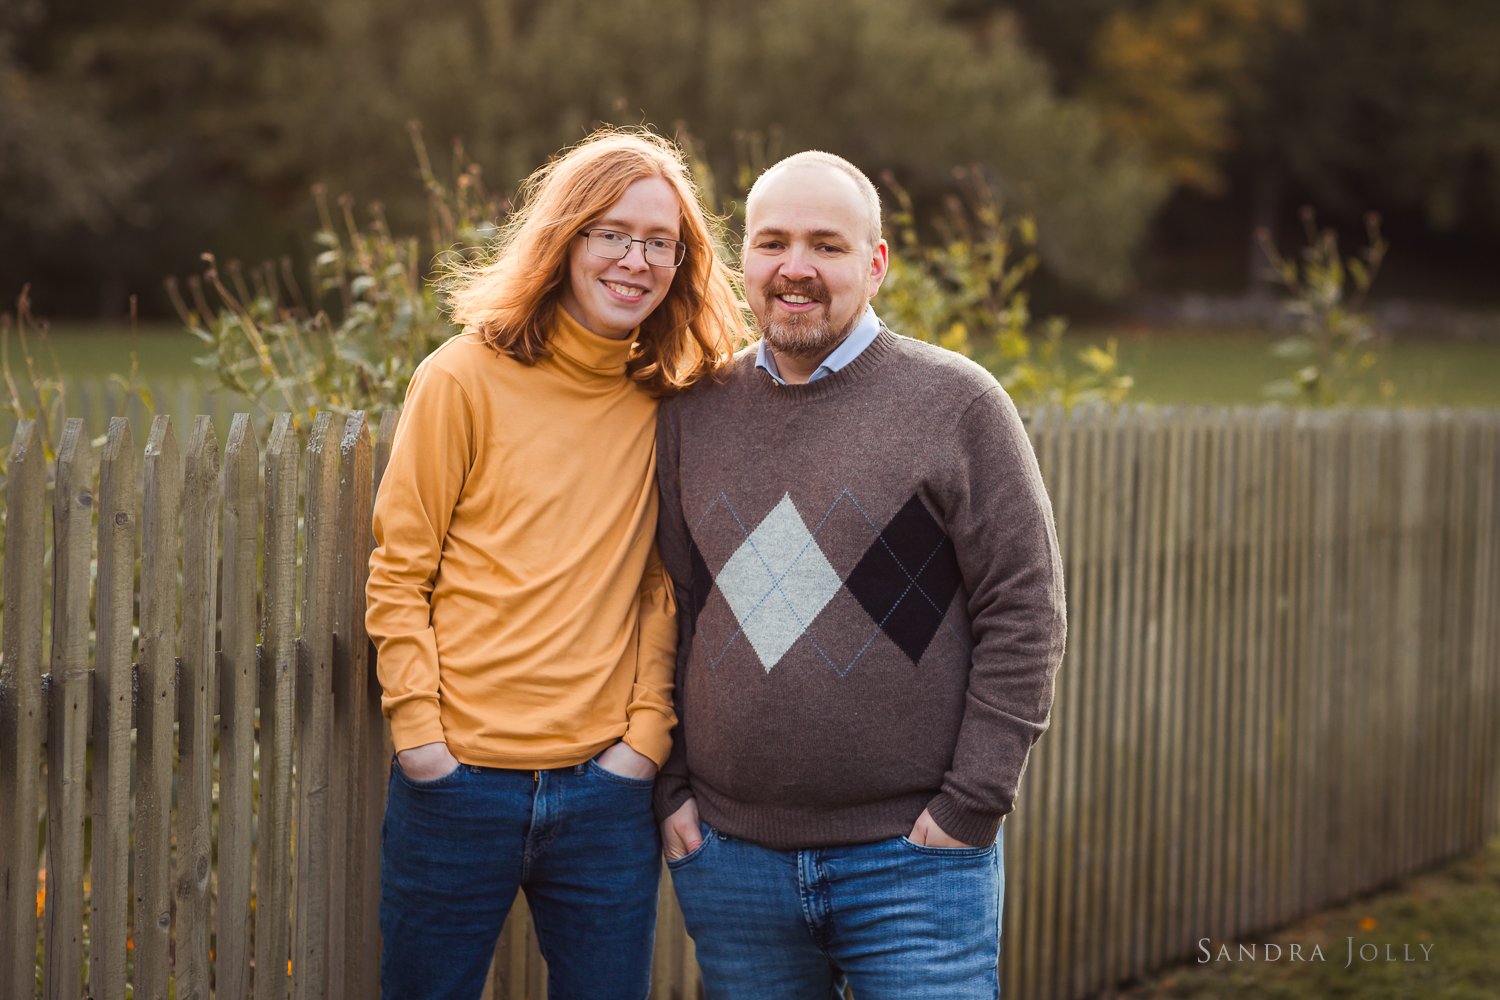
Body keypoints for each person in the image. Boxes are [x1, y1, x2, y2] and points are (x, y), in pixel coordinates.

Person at [653, 150, 1067, 999]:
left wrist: (971, 806)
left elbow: (1024, 612)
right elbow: (671, 609)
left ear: (875, 264)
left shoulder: (956, 405)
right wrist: (671, 791)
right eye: (772, 243)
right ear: (745, 261)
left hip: (913, 864)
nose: (795, 269)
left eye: (826, 246)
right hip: (732, 864)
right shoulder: (693, 414)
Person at [367, 127, 747, 1000]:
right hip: (456, 788)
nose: (635, 259)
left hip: (605, 798)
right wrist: (422, 741)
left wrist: (644, 744)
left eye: (660, 241)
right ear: (564, 238)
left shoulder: (666, 401)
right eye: (611, 232)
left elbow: (662, 587)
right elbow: (400, 572)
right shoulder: (462, 378)